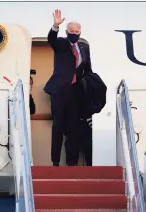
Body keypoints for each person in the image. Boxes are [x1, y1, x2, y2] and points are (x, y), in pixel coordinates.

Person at [44, 9, 93, 166]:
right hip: (59, 90)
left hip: (75, 92)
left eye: (77, 31)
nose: (74, 33)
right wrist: (55, 26)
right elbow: (51, 39)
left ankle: (71, 163)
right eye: (71, 31)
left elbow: (88, 70)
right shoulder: (61, 43)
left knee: (73, 127)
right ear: (67, 31)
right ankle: (56, 161)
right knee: (58, 125)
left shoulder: (84, 48)